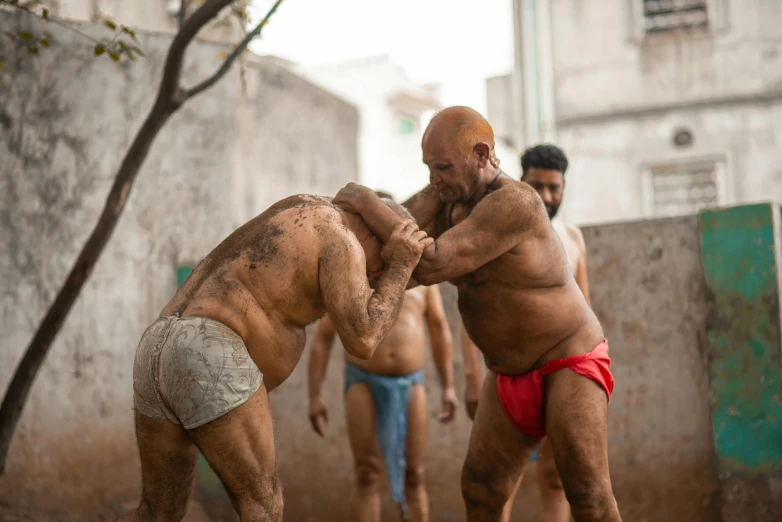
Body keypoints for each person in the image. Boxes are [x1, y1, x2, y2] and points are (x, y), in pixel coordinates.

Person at [333, 106, 620, 522]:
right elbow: (388, 241)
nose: (434, 178)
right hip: (507, 374)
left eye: (443, 167)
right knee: (481, 489)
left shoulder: (516, 203)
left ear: (482, 155)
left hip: (567, 361)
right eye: (429, 167)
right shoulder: (445, 196)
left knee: (588, 496)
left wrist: (365, 199)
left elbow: (428, 262)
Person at [118, 194, 432, 522]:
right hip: (209, 350)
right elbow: (364, 338)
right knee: (264, 508)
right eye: (379, 263)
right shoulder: (343, 241)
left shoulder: (298, 206)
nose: (375, 275)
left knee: (156, 513)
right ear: (372, 232)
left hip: (158, 343)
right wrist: (399, 266)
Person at [461, 144, 592, 522]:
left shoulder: (573, 238)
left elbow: (585, 313)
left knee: (558, 478)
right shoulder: (501, 233)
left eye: (555, 188)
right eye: (538, 186)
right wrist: (472, 378)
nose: (548, 197)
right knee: (498, 484)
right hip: (512, 375)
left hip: (565, 374)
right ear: (521, 183)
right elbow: (474, 309)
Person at [308, 278, 457, 522]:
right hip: (362, 381)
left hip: (411, 382)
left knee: (415, 475)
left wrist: (449, 387)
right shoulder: (351, 275)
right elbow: (324, 337)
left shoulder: (423, 279)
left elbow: (439, 327)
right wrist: (315, 395)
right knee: (367, 473)